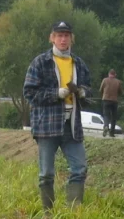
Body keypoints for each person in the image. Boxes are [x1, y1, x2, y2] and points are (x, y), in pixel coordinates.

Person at [23, 21, 92, 209]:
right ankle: (48, 215)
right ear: (52, 38)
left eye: (66, 35)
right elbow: (30, 93)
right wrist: (56, 94)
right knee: (46, 173)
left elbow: (88, 90)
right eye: (59, 35)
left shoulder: (78, 64)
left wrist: (84, 93)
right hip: (47, 125)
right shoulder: (40, 62)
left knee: (79, 169)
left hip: (72, 125)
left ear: (71, 39)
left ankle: (73, 212)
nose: (63, 39)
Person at [99, 69, 122, 137]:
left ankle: (106, 126)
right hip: (114, 101)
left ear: (109, 74)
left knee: (106, 115)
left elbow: (100, 89)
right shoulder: (118, 82)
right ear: (115, 75)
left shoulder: (105, 80)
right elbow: (120, 92)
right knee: (113, 117)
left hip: (105, 99)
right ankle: (112, 133)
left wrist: (103, 95)